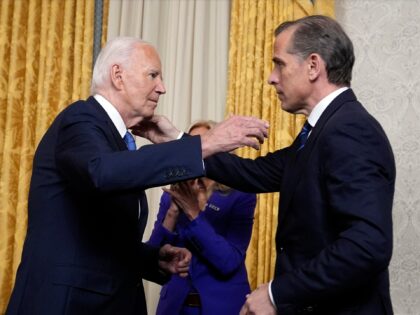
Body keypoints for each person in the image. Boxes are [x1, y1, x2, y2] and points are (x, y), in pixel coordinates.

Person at [5, 37, 268, 315]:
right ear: (118, 76)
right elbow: (102, 172)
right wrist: (205, 144)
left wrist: (152, 260)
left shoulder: (115, 140)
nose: (162, 88)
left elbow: (99, 239)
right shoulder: (80, 118)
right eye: (153, 75)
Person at [201, 15, 396, 315]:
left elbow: (367, 246)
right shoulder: (322, 131)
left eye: (279, 64)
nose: (271, 77)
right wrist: (178, 141)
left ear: (314, 66)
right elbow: (252, 173)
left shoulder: (350, 130)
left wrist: (277, 294)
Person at [148, 120, 257, 315]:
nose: (195, 151)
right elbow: (153, 256)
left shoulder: (241, 194)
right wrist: (173, 212)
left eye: (201, 143)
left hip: (222, 306)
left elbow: (228, 262)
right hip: (175, 306)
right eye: (189, 145)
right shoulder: (174, 191)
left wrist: (193, 214)